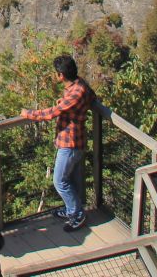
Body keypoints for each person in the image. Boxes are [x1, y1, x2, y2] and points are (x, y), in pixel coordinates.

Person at [21, 54, 95, 231]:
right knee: (71, 180)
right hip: (74, 141)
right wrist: (67, 103)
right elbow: (92, 98)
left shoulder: (76, 92)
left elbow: (51, 113)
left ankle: (77, 214)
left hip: (70, 144)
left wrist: (28, 113)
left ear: (60, 75)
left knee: (59, 181)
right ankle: (72, 209)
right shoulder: (79, 85)